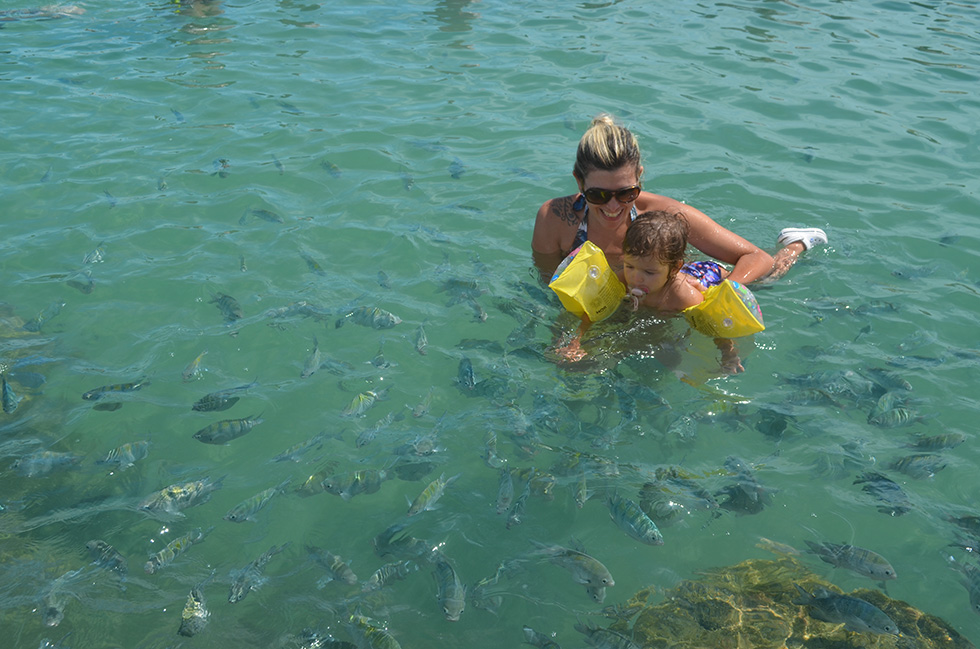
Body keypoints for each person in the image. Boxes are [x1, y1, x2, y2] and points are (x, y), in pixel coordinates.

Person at [532, 113, 827, 286]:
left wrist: (717, 293)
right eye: (597, 195)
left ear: (640, 178)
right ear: (578, 182)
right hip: (624, 291)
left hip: (663, 280)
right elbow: (549, 285)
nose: (613, 206)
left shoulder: (664, 214)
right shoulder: (555, 219)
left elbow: (756, 258)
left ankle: (796, 245)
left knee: (766, 278)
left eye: (626, 193)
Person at [622, 210, 743, 372]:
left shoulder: (684, 298)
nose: (636, 278)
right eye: (629, 266)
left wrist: (728, 353)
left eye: (649, 273)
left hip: (708, 274)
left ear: (674, 269)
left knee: (764, 281)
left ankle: (786, 253)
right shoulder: (625, 278)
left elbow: (714, 325)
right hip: (673, 268)